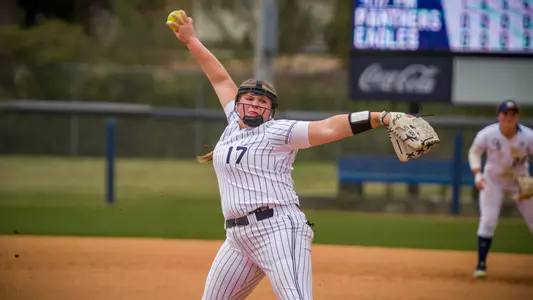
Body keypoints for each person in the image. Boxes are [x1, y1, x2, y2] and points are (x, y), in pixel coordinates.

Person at [167, 10, 403, 299]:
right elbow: (218, 78)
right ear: (238, 104)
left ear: (271, 110)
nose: (254, 105)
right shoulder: (232, 123)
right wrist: (191, 41)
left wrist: (380, 116)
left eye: (262, 102)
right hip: (238, 238)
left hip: (277, 229)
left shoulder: (278, 131)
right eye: (249, 99)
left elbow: (328, 128)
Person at [468, 99, 533, 279]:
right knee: (488, 220)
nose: (509, 117)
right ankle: (481, 265)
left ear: (517, 117)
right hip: (493, 179)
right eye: (506, 114)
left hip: (522, 179)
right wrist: (477, 174)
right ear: (499, 116)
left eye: (513, 114)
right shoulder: (488, 134)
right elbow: (474, 152)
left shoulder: (528, 136)